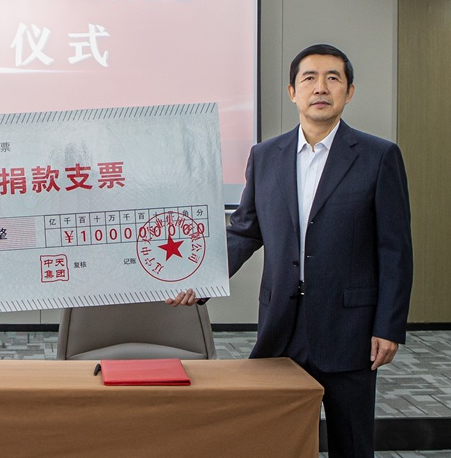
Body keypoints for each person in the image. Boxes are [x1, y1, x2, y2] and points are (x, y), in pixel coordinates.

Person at [168, 44, 413, 457]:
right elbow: (245, 231)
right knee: (272, 440)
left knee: (352, 443)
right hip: (281, 323)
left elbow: (395, 250)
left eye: (333, 78)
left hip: (349, 328)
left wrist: (389, 325)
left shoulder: (378, 156)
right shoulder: (266, 156)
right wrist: (201, 276)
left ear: (349, 92)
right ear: (292, 92)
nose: (321, 88)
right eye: (309, 78)